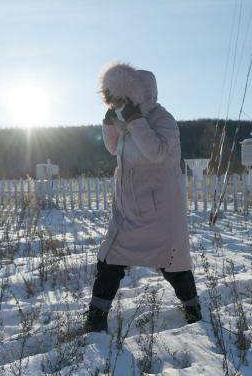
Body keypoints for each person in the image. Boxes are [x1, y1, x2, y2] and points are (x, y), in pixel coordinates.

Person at [83, 62, 201, 333]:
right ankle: (95, 321)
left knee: (174, 265)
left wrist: (135, 119)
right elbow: (113, 148)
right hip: (128, 209)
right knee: (109, 260)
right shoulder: (126, 122)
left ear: (143, 92)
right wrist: (111, 120)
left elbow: (156, 152)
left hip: (160, 213)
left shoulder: (164, 121)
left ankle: (194, 312)